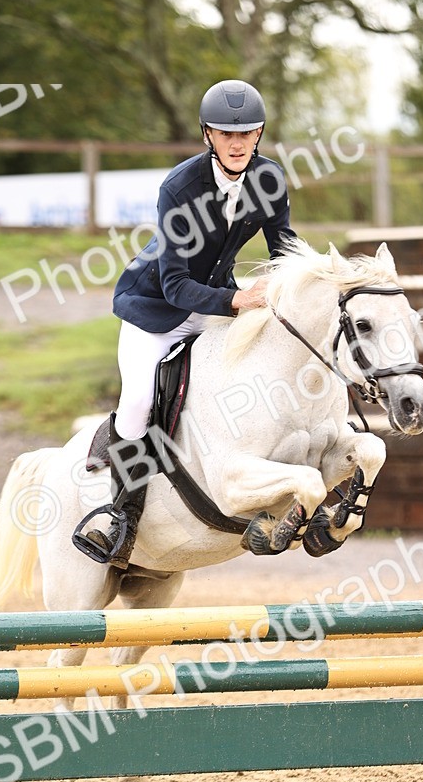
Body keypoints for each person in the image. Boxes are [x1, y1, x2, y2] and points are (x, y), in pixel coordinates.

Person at [72, 78, 296, 569]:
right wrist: (238, 298)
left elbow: (284, 251)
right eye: (225, 134)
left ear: (259, 135)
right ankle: (121, 517)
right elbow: (174, 285)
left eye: (247, 134)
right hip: (157, 309)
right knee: (136, 401)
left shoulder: (269, 179)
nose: (237, 144)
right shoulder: (180, 187)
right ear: (207, 136)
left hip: (217, 303)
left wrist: (309, 284)